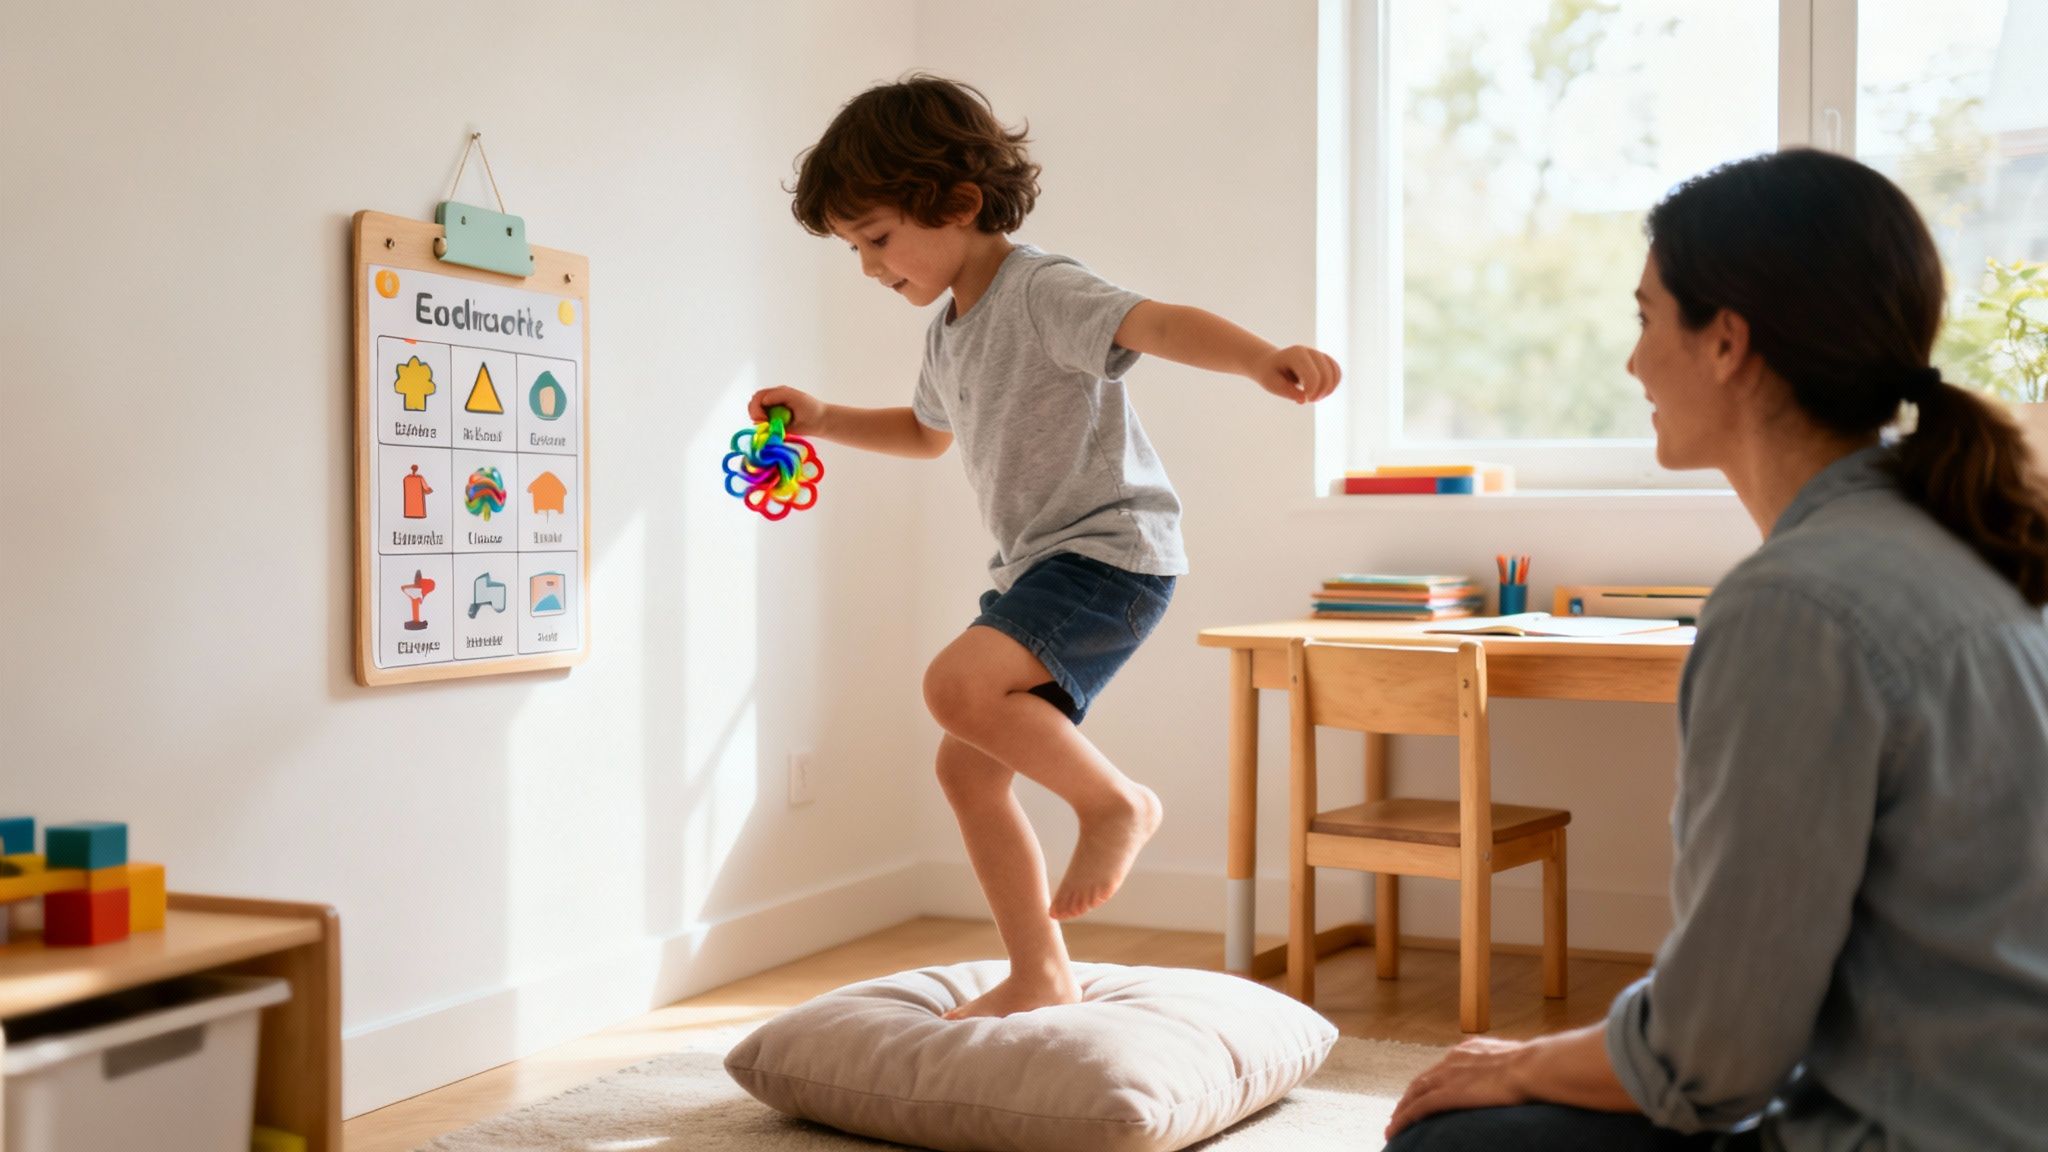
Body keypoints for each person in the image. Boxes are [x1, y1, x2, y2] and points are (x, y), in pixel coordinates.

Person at [1386, 147, 2048, 1150]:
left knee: (1450, 1135)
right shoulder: (1966, 546)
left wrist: (1517, 1059)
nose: (1631, 361)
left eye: (1645, 317)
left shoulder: (1797, 606)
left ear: (1725, 341)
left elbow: (1711, 1060)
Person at [754, 75, 1341, 1020]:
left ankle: (1117, 805)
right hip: (1043, 567)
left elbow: (1155, 321)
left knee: (955, 687)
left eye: (875, 238)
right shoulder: (948, 336)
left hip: (1110, 551)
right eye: (853, 248)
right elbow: (924, 433)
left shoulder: (1041, 290)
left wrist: (1259, 357)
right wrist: (821, 419)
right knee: (963, 765)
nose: (868, 267)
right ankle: (1040, 972)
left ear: (956, 203)